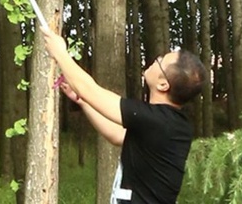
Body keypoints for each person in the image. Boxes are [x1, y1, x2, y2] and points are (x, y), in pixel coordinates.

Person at [42, 27, 207, 204]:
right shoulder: (172, 124)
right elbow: (118, 135)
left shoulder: (156, 121)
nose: (156, 59)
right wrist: (83, 101)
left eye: (161, 61)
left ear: (163, 84)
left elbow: (90, 89)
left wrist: (60, 53)